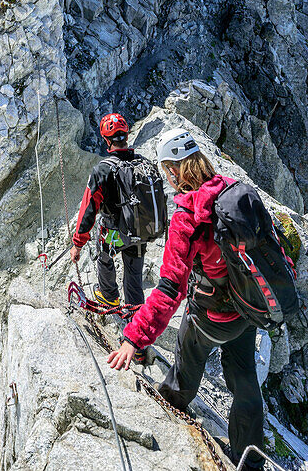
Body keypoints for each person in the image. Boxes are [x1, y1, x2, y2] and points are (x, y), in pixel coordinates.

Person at [107, 127, 265, 471]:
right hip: (247, 308)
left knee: (188, 348)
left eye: (167, 171)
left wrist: (134, 337)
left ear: (175, 169)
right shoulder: (232, 190)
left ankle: (174, 400)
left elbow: (169, 289)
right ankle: (249, 458)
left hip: (210, 316)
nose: (168, 177)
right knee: (245, 380)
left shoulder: (187, 216)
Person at [70, 112, 163, 307]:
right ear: (127, 136)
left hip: (115, 233)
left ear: (106, 140)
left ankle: (109, 296)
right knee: (134, 274)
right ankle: (135, 311)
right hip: (140, 229)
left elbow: (89, 210)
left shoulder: (102, 170)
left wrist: (78, 243)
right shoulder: (143, 164)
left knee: (104, 258)